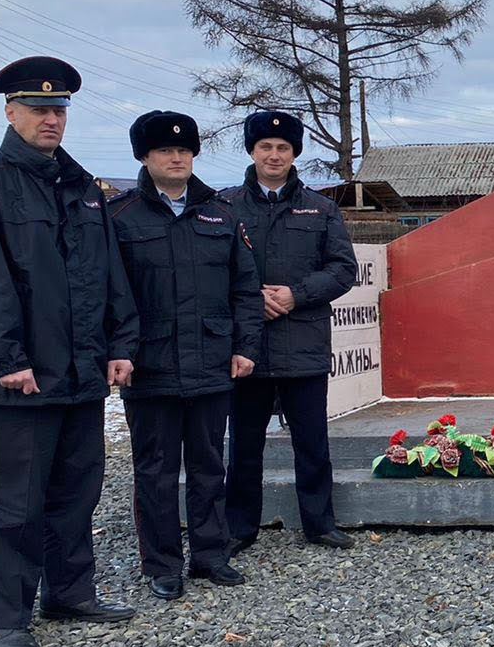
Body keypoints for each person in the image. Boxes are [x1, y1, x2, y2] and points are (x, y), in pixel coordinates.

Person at [0, 56, 138, 647]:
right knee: (14, 501)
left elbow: (108, 275)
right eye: (38, 109)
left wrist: (120, 344)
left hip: (79, 370)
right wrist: (7, 358)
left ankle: (70, 592)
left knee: (78, 490)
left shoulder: (81, 186)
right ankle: (5, 614)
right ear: (10, 112)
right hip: (17, 379)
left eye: (59, 110)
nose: (51, 119)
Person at [110, 111, 263, 599]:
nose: (176, 157)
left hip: (212, 362)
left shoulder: (221, 214)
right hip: (149, 365)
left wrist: (245, 347)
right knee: (154, 471)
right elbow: (107, 294)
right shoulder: (118, 216)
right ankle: (161, 564)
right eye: (163, 151)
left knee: (206, 464)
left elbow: (245, 288)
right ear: (145, 157)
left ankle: (210, 555)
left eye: (184, 150)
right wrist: (118, 352)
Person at [219, 110, 358, 553]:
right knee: (243, 445)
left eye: (283, 148)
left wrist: (296, 294)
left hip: (303, 343)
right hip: (247, 347)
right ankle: (239, 527)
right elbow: (210, 270)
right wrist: (249, 298)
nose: (274, 155)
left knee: (312, 442)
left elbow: (342, 270)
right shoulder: (224, 207)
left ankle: (319, 523)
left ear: (294, 153)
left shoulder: (322, 208)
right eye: (265, 147)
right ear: (252, 151)